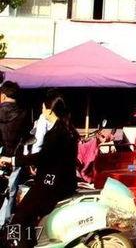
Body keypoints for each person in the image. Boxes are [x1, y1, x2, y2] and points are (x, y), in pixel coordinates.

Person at [0, 93, 79, 248]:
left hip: (50, 185)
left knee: (19, 218)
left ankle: (18, 245)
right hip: (60, 183)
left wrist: (12, 160)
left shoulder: (56, 133)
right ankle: (30, 243)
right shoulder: (68, 130)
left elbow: (42, 157)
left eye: (43, 108)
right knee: (28, 218)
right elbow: (54, 159)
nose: (42, 111)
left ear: (50, 110)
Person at [0, 81, 30, 229]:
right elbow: (28, 138)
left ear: (3, 95)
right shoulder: (24, 113)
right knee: (11, 191)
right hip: (15, 158)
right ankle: (3, 223)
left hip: (1, 154)